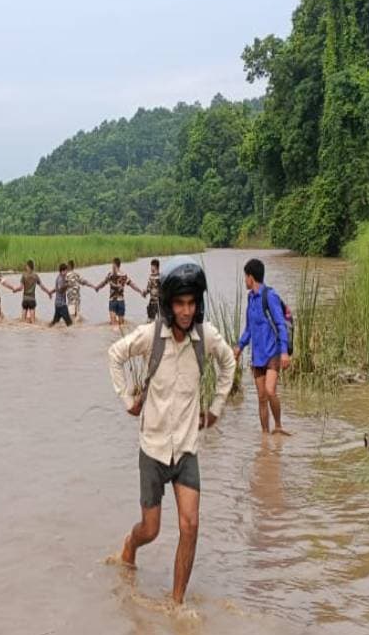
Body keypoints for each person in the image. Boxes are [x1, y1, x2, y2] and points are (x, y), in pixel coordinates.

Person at [107, 257, 235, 605]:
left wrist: (216, 409)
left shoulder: (205, 337)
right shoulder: (152, 336)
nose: (186, 311)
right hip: (152, 448)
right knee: (151, 529)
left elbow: (228, 363)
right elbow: (115, 354)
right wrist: (127, 400)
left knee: (190, 525)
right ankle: (130, 545)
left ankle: (176, 603)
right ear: (168, 304)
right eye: (179, 303)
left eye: (192, 303)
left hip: (186, 449)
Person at [235, 258, 291, 437]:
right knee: (261, 397)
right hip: (257, 355)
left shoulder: (270, 296)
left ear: (251, 277)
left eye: (245, 277)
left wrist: (284, 352)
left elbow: (281, 324)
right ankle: (265, 436)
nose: (245, 280)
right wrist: (239, 347)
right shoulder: (251, 299)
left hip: (273, 352)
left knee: (269, 390)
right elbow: (249, 329)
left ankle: (278, 425)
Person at [96, 258, 145, 332]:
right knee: (118, 324)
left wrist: (97, 287)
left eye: (112, 264)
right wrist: (97, 287)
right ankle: (118, 336)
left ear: (115, 265)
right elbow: (132, 285)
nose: (112, 266)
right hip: (117, 301)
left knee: (117, 324)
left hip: (116, 301)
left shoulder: (116, 275)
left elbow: (104, 283)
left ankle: (117, 336)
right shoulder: (117, 275)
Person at [6, 260, 48, 324]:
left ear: (28, 266)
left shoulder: (24, 275)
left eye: (26, 266)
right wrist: (48, 292)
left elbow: (20, 288)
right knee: (33, 322)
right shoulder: (35, 276)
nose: (26, 267)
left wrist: (15, 290)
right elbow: (42, 286)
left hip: (25, 299)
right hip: (32, 299)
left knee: (23, 322)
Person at [49, 263, 73, 327]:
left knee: (54, 323)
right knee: (70, 324)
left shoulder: (61, 278)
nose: (67, 272)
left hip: (57, 304)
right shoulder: (60, 279)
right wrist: (67, 285)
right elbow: (60, 289)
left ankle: (45, 329)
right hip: (61, 305)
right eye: (66, 271)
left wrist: (51, 292)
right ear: (62, 271)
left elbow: (57, 288)